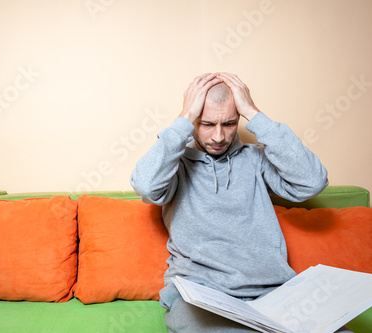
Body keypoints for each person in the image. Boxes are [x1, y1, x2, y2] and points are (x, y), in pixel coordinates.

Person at [130, 73, 343, 332]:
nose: (219, 136)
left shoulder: (255, 159)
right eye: (207, 124)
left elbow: (312, 182)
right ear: (193, 120)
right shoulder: (175, 165)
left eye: (229, 123)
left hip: (271, 291)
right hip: (201, 294)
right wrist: (183, 119)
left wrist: (255, 114)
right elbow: (146, 186)